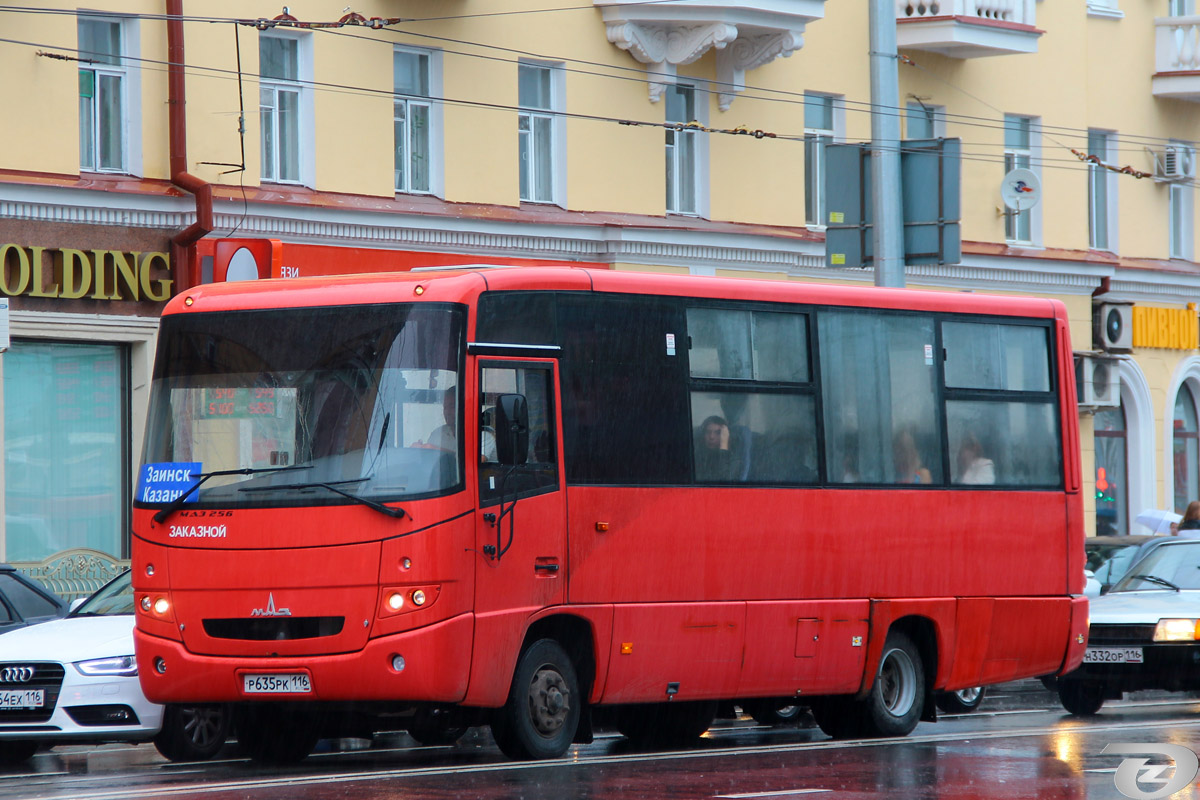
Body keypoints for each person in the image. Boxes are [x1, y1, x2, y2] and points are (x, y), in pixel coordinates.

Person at [695, 415, 739, 481]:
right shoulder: (698, 455)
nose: (711, 437)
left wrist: (724, 445)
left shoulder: (734, 457)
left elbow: (723, 479)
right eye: (708, 432)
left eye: (718, 433)